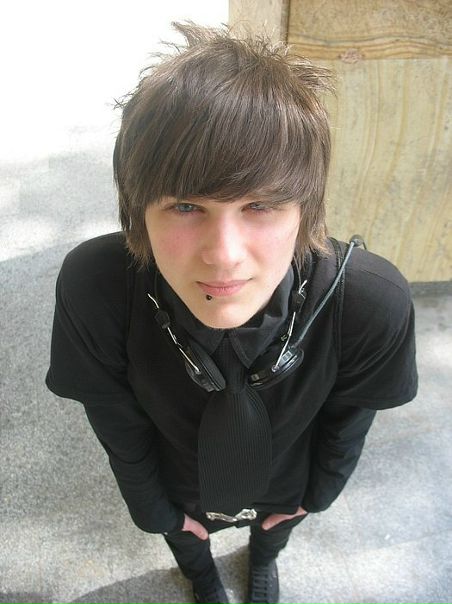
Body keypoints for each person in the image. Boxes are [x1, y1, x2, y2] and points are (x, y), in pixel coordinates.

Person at [46, 22, 418, 604]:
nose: (223, 255)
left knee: (273, 532)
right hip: (176, 477)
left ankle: (263, 561)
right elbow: (116, 422)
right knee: (185, 539)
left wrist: (313, 499)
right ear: (139, 208)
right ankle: (201, 576)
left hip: (287, 475)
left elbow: (348, 421)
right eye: (185, 205)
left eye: (260, 205)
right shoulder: (98, 287)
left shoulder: (368, 303)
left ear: (305, 209)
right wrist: (157, 513)